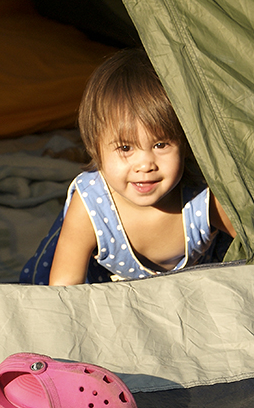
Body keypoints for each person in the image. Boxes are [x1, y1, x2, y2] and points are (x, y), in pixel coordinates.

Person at [20, 48, 235, 285]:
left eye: (160, 144)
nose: (145, 164)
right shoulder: (91, 204)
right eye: (125, 148)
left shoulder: (204, 197)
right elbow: (64, 289)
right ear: (95, 148)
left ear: (184, 144)